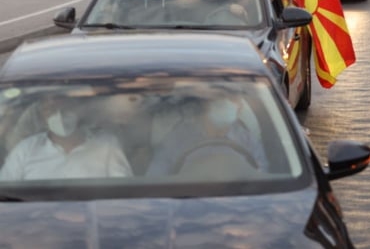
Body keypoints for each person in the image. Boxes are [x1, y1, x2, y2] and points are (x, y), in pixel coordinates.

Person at [0, 93, 133, 181]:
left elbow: (124, 191)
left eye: (65, 109)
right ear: (42, 117)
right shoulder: (26, 149)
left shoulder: (106, 143)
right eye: (50, 110)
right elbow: (5, 191)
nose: (59, 116)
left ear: (78, 111)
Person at [146, 92, 268, 176]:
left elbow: (262, 177)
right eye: (219, 97)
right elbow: (156, 178)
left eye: (232, 98)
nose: (225, 103)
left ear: (240, 107)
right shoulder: (177, 138)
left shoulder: (247, 139)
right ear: (205, 103)